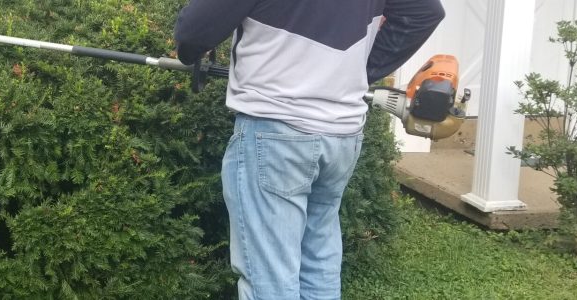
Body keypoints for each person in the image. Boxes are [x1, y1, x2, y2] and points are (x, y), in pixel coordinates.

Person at [173, 0, 444, 299]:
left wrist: (189, 52)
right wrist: (354, 73)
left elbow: (193, 32)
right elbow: (424, 12)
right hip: (342, 132)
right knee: (318, 261)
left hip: (275, 128)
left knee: (269, 278)